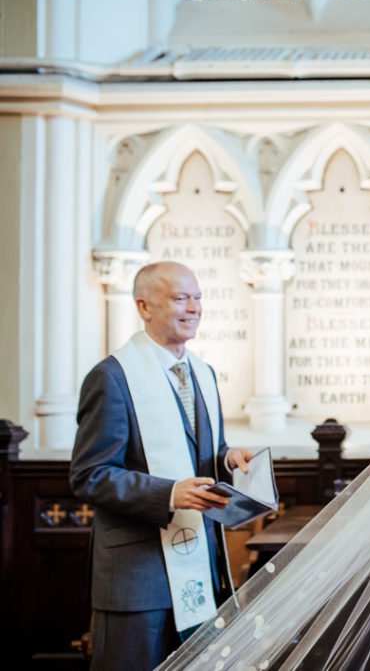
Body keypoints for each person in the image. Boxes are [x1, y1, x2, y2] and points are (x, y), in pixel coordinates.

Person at [70, 261, 254, 671]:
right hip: (138, 578)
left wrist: (227, 457)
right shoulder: (112, 377)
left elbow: (204, 450)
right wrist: (169, 493)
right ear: (144, 306)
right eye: (180, 298)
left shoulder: (202, 373)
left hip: (199, 568)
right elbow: (90, 475)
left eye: (198, 297)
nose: (194, 308)